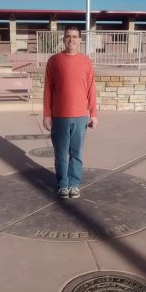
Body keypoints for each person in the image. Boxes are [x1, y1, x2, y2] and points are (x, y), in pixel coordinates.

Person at [43, 25, 97, 199]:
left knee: (77, 154)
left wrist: (94, 114)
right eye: (68, 36)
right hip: (59, 116)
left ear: (80, 40)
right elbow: (48, 90)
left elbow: (91, 89)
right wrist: (47, 114)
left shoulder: (86, 61)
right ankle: (63, 184)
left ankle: (74, 184)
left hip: (81, 116)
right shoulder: (54, 61)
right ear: (63, 38)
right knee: (61, 154)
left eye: (75, 36)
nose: (71, 39)